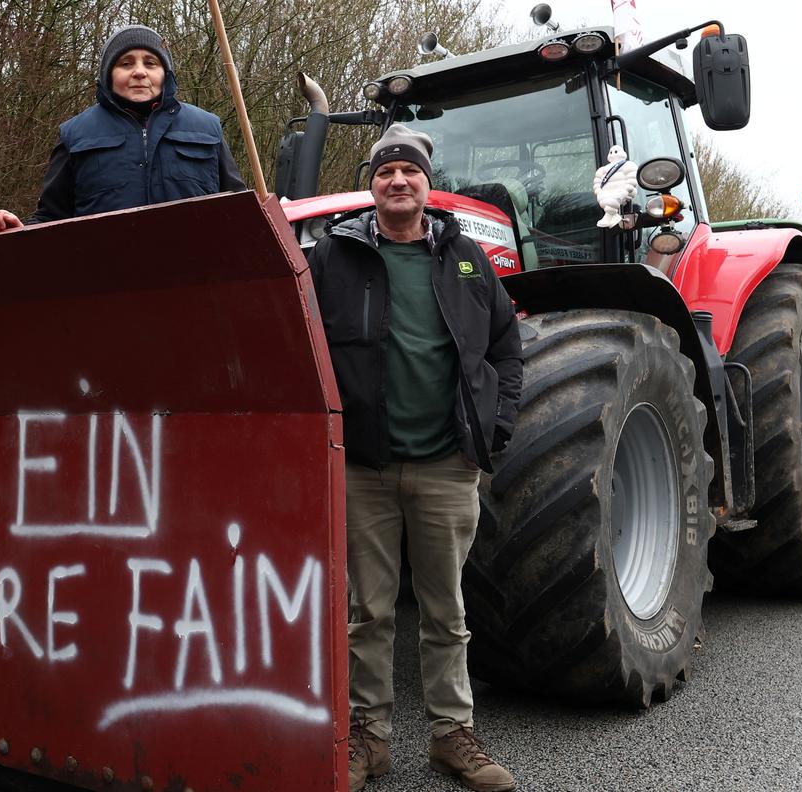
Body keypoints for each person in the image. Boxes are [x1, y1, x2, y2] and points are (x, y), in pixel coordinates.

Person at [308, 124, 523, 792]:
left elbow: (506, 350)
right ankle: (369, 740)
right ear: (371, 185)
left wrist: (497, 424)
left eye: (409, 172)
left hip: (444, 465)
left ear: (428, 185)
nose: (397, 181)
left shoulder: (465, 259)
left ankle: (451, 737)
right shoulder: (331, 259)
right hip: (363, 469)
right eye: (384, 172)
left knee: (445, 613)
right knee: (367, 614)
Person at [0, 25, 246, 233]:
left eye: (151, 63)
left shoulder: (208, 127)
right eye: (126, 63)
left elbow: (240, 212)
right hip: (106, 288)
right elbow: (51, 218)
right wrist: (17, 229)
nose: (139, 72)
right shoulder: (75, 134)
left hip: (201, 285)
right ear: (109, 74)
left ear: (166, 73)